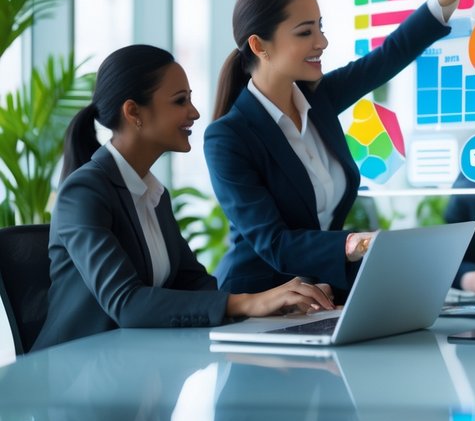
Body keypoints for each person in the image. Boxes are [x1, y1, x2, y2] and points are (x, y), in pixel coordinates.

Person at [206, 0, 475, 294]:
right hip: (257, 302)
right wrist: (358, 243)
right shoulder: (228, 138)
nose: (321, 42)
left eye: (320, 28)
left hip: (323, 297)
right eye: (305, 32)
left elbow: (390, 55)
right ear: (260, 45)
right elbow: (275, 243)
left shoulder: (319, 99)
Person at [34, 46, 335, 351]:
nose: (194, 112)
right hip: (74, 373)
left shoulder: (152, 193)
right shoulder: (84, 192)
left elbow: (192, 283)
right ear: (134, 112)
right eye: (180, 101)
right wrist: (248, 303)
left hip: (134, 363)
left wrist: (275, 305)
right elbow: (127, 303)